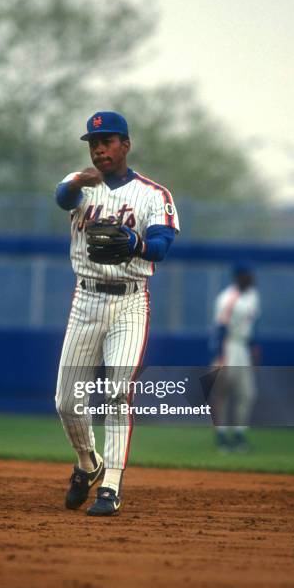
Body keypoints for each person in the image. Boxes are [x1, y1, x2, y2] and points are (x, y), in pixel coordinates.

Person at [54, 111, 180, 516]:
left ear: (126, 145)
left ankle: (111, 486)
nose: (99, 148)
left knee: (117, 392)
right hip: (86, 299)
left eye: (107, 141)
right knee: (65, 402)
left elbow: (161, 245)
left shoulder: (152, 194)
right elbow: (62, 196)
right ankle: (89, 464)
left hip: (129, 300)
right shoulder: (82, 186)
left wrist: (136, 243)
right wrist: (76, 178)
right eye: (93, 143)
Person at [211, 263, 261, 452]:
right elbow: (219, 330)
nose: (251, 278)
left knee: (248, 393)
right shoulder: (227, 298)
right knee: (222, 393)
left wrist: (253, 347)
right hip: (228, 346)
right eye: (247, 275)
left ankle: (239, 435)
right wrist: (220, 358)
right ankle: (222, 437)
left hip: (243, 347)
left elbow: (254, 324)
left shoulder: (253, 296)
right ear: (239, 277)